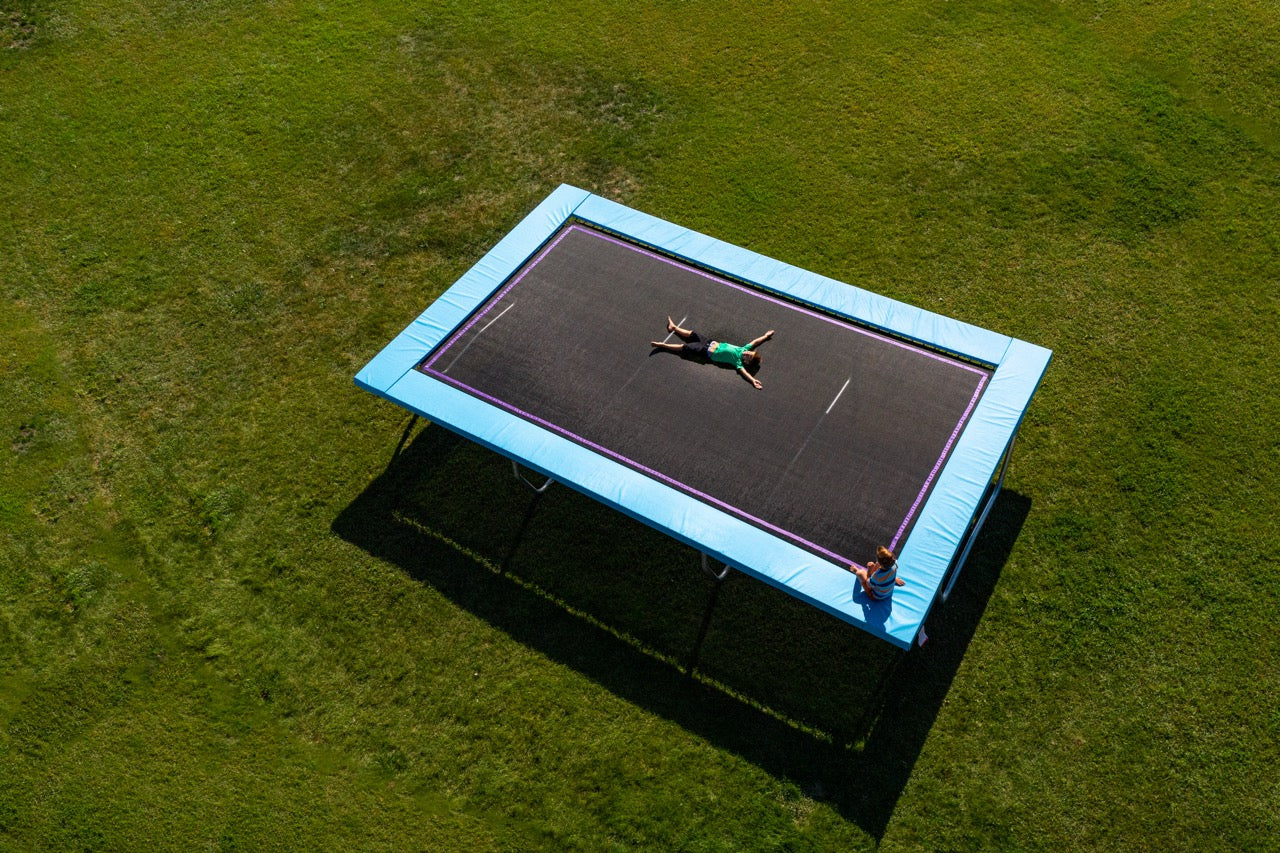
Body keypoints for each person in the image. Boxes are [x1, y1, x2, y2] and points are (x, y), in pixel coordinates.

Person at [650, 317, 775, 389]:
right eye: (750, 353)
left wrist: (753, 381)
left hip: (705, 351)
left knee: (684, 347)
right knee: (691, 334)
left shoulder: (737, 362)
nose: (747, 353)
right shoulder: (742, 349)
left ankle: (663, 345)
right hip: (709, 342)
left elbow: (745, 373)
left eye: (748, 356)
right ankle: (674, 328)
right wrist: (766, 336)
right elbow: (755, 342)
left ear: (746, 361)